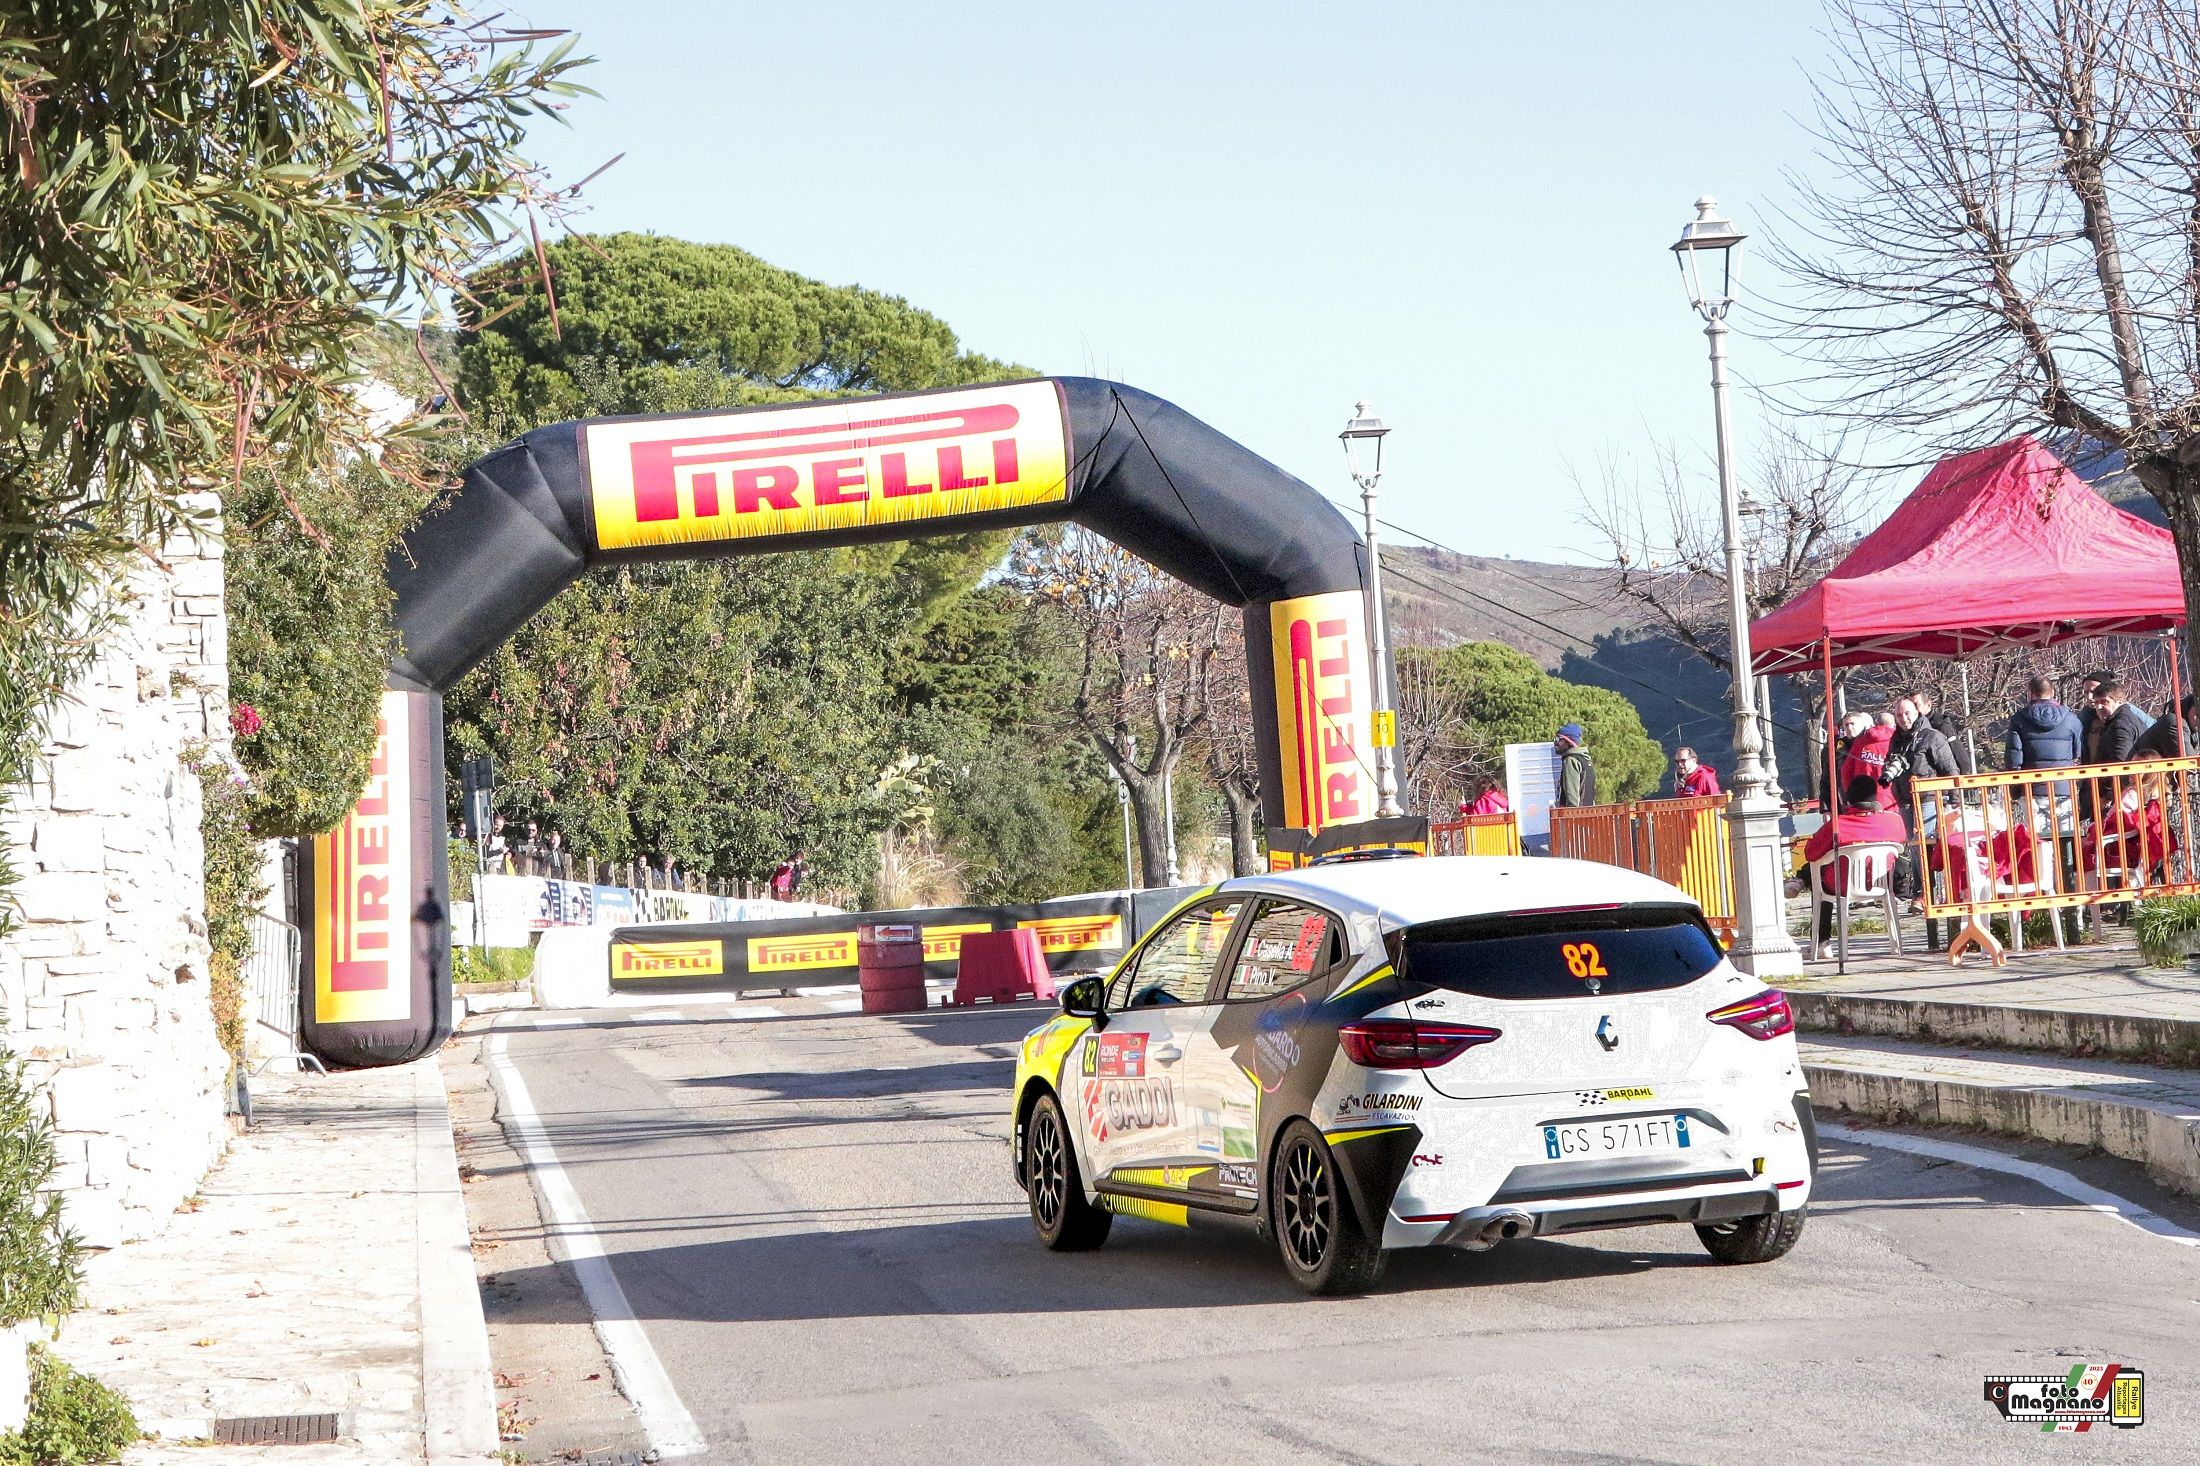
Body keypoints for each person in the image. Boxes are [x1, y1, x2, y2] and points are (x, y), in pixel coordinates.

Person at [1800, 775, 1909, 949]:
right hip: (1881, 883)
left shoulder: (1837, 825)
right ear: (1875, 796)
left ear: (1847, 799)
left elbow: (1810, 853)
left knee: (1817, 873)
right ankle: (1896, 945)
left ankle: (1822, 943)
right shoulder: (1894, 821)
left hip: (1840, 886)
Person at [2005, 674, 2084, 770]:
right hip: (2063, 780)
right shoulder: (2071, 718)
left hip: (2031, 781)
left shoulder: (2018, 719)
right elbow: (2078, 752)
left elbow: (2014, 757)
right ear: (2053, 692)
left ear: (2029, 694)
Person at [1836, 711, 1896, 809]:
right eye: (1846, 725)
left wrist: (1850, 795)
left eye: (1852, 724)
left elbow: (1845, 771)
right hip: (1890, 797)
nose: (1849, 728)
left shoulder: (1861, 742)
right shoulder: (1896, 741)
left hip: (1863, 798)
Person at [1911, 690, 1973, 774]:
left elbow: (1960, 755)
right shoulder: (1909, 729)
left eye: (1916, 705)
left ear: (1928, 704)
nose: (1913, 709)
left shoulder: (1941, 726)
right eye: (1910, 706)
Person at [1553, 723, 1597, 808]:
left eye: (1559, 739)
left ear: (1568, 741)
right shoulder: (1586, 760)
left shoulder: (1571, 760)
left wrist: (1570, 817)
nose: (1556, 743)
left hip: (1576, 817)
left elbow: (1572, 798)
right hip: (1589, 814)